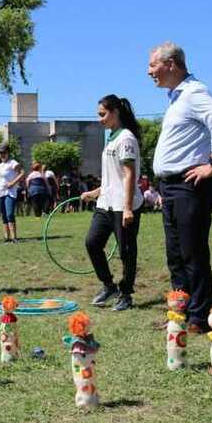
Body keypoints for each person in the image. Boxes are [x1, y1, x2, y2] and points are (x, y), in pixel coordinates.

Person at [148, 41, 212, 332]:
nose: (149, 72)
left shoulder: (194, 92)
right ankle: (179, 313)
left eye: (152, 65)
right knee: (175, 255)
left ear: (170, 64)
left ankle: (198, 317)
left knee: (192, 252)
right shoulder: (176, 98)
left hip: (188, 186)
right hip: (170, 188)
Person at [81, 95, 145, 311]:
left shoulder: (126, 138)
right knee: (92, 243)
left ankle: (126, 294)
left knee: (126, 251)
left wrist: (127, 208)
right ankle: (109, 286)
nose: (100, 119)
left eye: (103, 114)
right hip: (105, 204)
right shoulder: (112, 138)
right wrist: (95, 192)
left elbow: (129, 174)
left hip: (123, 206)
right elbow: (113, 177)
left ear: (115, 112)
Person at [0, 142, 25, 243]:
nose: (2, 155)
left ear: (8, 153)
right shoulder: (0, 165)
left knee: (9, 214)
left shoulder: (13, 162)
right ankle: (6, 237)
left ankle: (14, 237)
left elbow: (22, 173)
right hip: (0, 192)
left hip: (10, 192)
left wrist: (12, 183)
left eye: (4, 152)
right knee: (3, 215)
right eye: (0, 153)